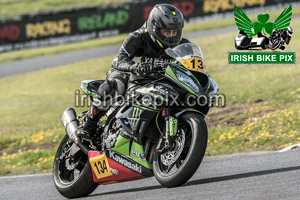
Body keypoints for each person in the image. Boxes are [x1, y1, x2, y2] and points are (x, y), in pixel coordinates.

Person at [76, 3, 190, 140]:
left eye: (174, 32)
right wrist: (135, 67)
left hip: (159, 84)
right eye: (166, 32)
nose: (171, 36)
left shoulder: (183, 45)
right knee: (116, 83)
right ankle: (89, 123)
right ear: (155, 28)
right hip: (132, 79)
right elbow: (118, 60)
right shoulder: (138, 37)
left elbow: (190, 67)